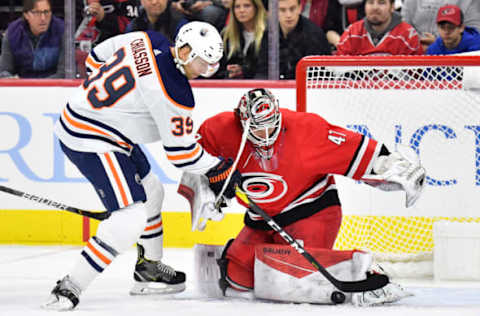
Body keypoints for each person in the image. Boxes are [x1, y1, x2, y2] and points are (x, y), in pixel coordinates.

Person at [42, 21, 240, 311]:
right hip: (91, 139)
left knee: (152, 193)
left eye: (211, 64)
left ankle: (149, 268)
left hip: (97, 125)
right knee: (130, 219)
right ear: (183, 50)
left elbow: (97, 55)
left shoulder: (149, 38)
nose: (204, 69)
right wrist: (217, 168)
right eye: (201, 61)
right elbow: (181, 153)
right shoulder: (174, 90)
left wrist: (105, 106)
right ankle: (70, 285)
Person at [194, 88, 426, 306]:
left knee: (293, 277)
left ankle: (365, 272)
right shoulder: (218, 130)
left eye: (270, 126)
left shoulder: (306, 129)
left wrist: (395, 168)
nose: (265, 135)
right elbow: (191, 164)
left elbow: (357, 150)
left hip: (310, 211)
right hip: (261, 217)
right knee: (237, 279)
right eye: (257, 128)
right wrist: (208, 194)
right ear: (242, 122)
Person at [0, 0, 64, 78]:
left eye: (46, 12)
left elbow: (64, 73)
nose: (43, 18)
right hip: (22, 86)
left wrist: (37, 87)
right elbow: (4, 70)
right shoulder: (12, 33)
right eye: (37, 13)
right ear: (26, 15)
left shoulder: (62, 30)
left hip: (54, 87)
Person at [336, 0, 422, 56]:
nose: (375, 8)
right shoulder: (351, 34)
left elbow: (417, 77)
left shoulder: (408, 35)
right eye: (370, 2)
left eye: (381, 3)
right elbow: (339, 74)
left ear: (392, 7)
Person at [278, 0, 331, 79]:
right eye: (282, 10)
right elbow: (263, 70)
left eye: (292, 9)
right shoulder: (269, 33)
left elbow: (318, 77)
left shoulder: (314, 35)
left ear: (300, 8)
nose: (288, 15)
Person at [215, 0, 267, 79]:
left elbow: (264, 69)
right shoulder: (226, 35)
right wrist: (228, 72)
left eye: (247, 6)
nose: (241, 10)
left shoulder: (268, 33)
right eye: (237, 7)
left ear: (256, 8)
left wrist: (244, 71)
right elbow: (218, 68)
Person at [401, 0, 480, 52]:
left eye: (450, 27)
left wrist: (441, 43)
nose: (446, 30)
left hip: (459, 59)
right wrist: (416, 43)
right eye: (442, 27)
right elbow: (402, 29)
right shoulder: (411, 2)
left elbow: (475, 31)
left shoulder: (470, 2)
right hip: (413, 55)